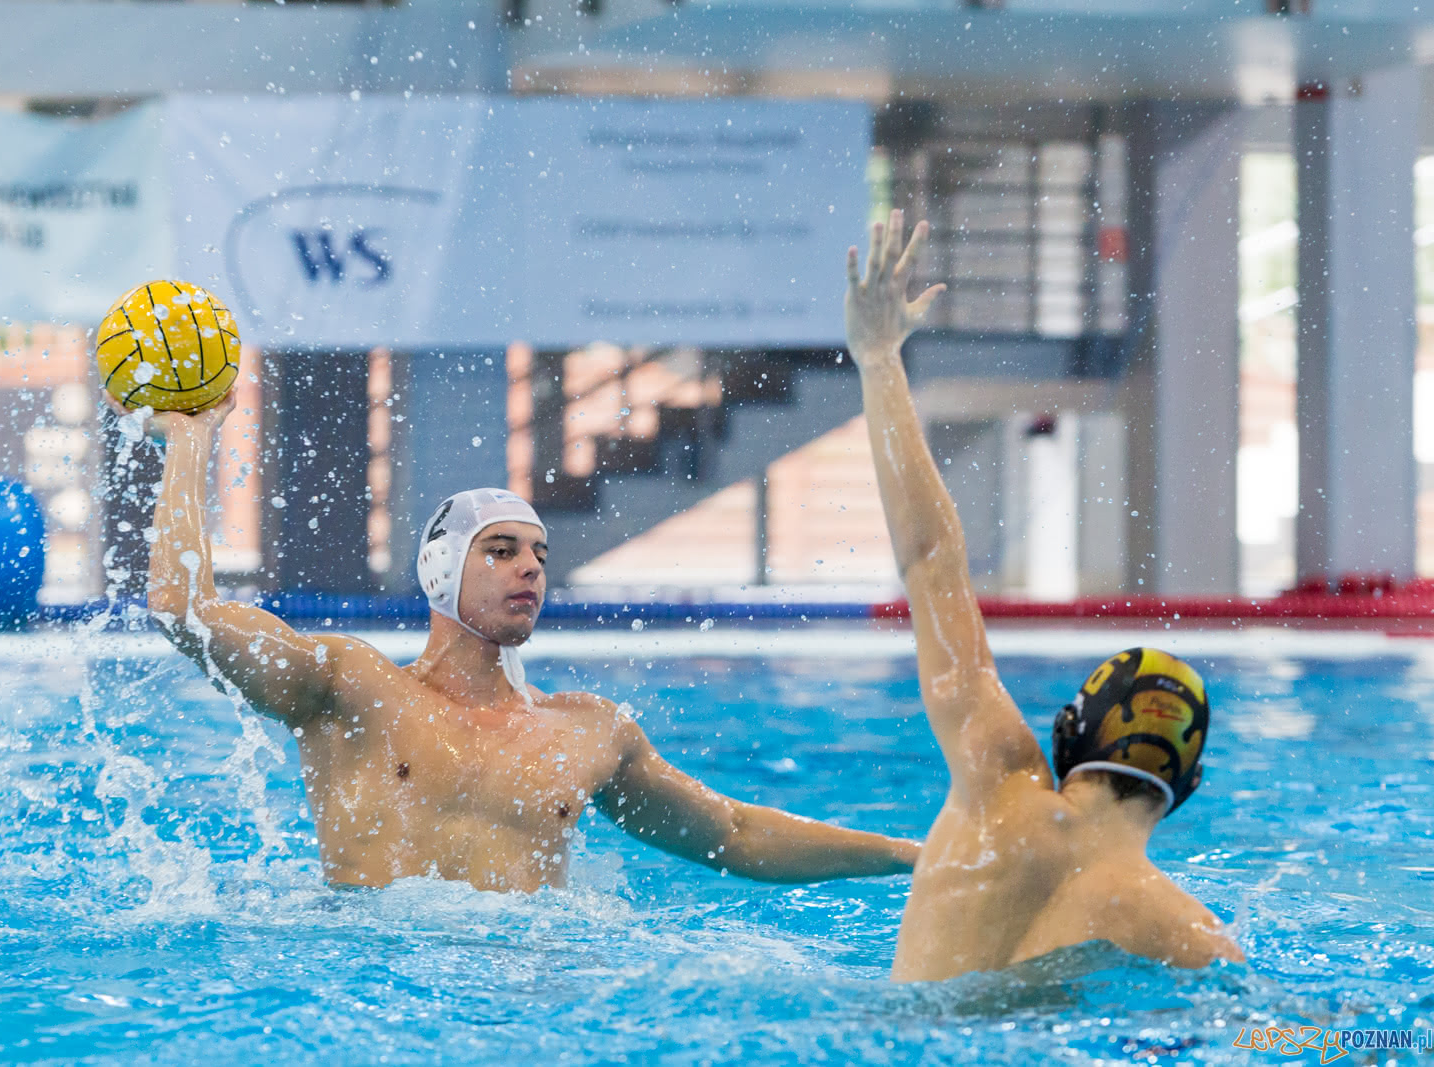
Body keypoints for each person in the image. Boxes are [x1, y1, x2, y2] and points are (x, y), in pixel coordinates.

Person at [120, 396, 919, 893]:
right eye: (500, 551)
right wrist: (191, 440)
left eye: (538, 553)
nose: (530, 568)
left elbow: (734, 835)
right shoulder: (352, 687)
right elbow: (183, 608)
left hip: (531, 1002)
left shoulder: (589, 732)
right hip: (377, 999)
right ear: (440, 569)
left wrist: (910, 853)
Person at [844, 209, 1245, 980]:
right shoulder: (1186, 930)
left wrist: (879, 358)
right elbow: (1290, 1035)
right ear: (1187, 786)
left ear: (1067, 734)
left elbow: (931, 559)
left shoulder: (997, 775)